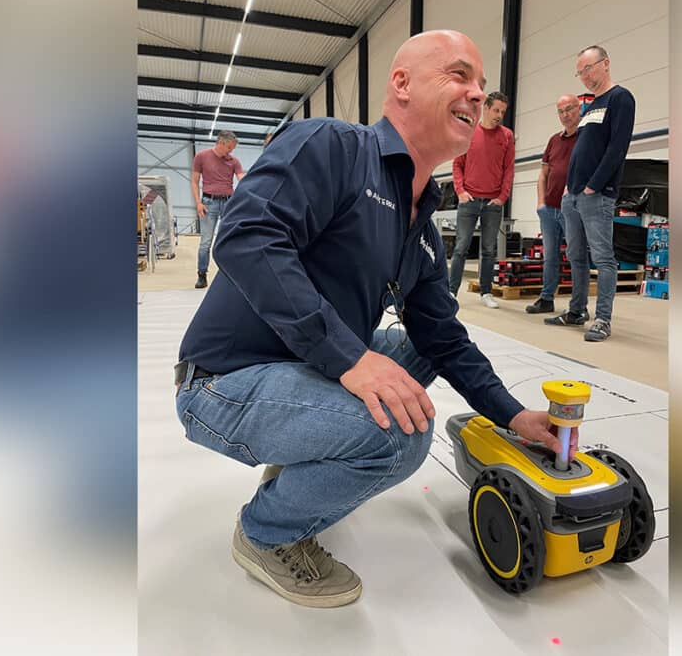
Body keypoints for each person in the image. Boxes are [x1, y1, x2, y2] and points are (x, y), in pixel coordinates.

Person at [173, 30, 575, 609]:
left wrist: (511, 414)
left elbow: (443, 338)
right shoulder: (332, 147)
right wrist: (352, 359)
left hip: (296, 363)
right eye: (460, 75)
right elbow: (245, 236)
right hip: (223, 380)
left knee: (415, 354)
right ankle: (266, 533)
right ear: (402, 84)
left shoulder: (421, 224)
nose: (477, 93)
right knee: (398, 435)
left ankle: (305, 456)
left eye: (482, 85)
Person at [545, 46, 635, 342]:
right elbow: (582, 149)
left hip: (596, 194)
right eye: (579, 72)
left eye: (587, 68)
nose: (583, 75)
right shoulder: (591, 106)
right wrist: (570, 188)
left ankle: (603, 320)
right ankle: (576, 311)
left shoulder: (620, 98)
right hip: (573, 195)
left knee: (603, 258)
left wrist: (593, 185)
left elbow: (617, 148)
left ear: (605, 63)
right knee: (575, 256)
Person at [447, 91, 515, 307]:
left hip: (493, 203)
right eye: (496, 110)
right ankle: (451, 292)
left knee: (488, 250)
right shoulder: (469, 131)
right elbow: (457, 164)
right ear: (485, 108)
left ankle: (486, 292)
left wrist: (503, 197)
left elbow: (509, 169)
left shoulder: (507, 136)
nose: (499, 115)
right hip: (469, 200)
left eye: (502, 112)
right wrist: (460, 191)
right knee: (461, 247)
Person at [525, 94, 582, 314]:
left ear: (579, 108)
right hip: (549, 209)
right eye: (561, 111)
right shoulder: (554, 140)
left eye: (569, 109)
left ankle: (577, 307)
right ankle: (546, 298)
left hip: (573, 209)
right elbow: (543, 174)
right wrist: (541, 203)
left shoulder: (586, 137)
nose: (565, 115)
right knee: (550, 256)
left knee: (576, 256)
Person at [191, 131, 245, 289]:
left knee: (228, 241)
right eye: (229, 148)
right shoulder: (201, 157)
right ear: (220, 143)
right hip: (208, 203)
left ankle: (228, 275)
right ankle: (202, 275)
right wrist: (198, 203)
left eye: (232, 149)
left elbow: (242, 179)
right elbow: (194, 181)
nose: (231, 151)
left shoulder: (234, 161)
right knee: (205, 242)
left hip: (229, 203)